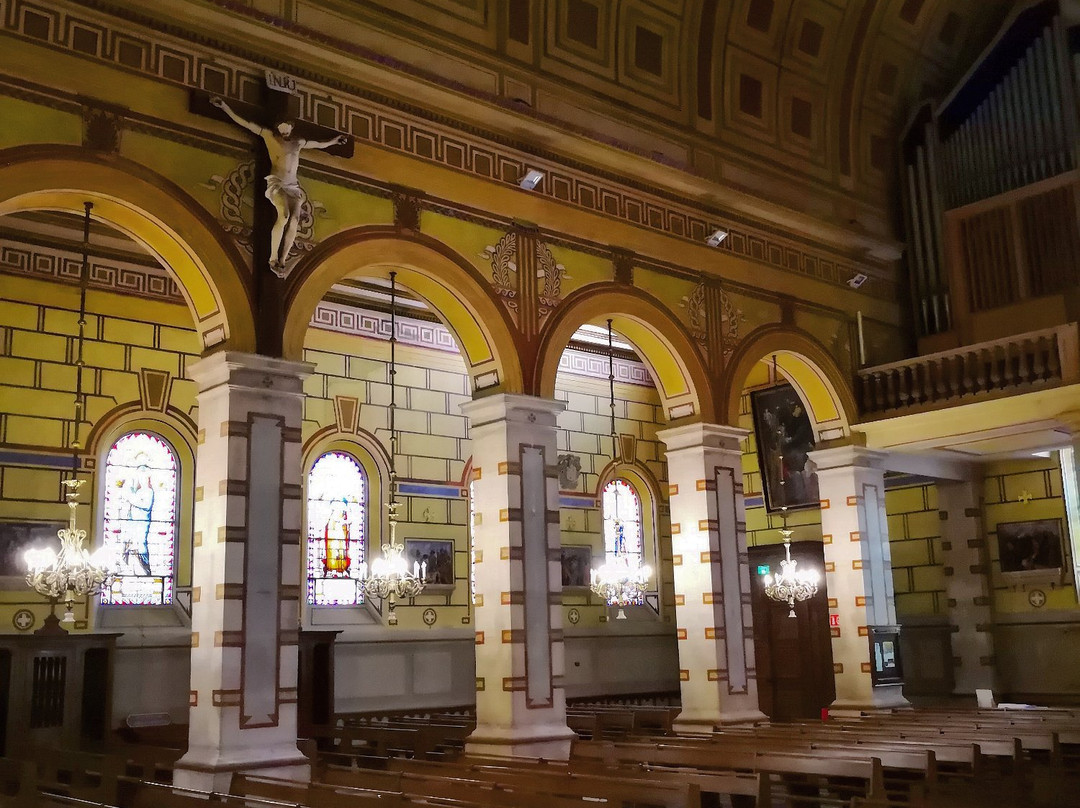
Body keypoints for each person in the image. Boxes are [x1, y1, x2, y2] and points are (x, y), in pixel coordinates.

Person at [211, 97, 348, 273]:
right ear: (277, 128)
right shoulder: (269, 137)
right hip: (277, 183)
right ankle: (273, 257)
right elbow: (246, 123)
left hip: (293, 186)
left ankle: (283, 259)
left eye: (286, 128)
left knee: (295, 220)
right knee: (283, 216)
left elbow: (319, 144)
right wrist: (225, 108)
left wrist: (334, 141)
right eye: (281, 128)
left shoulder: (298, 142)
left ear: (291, 128)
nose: (283, 131)